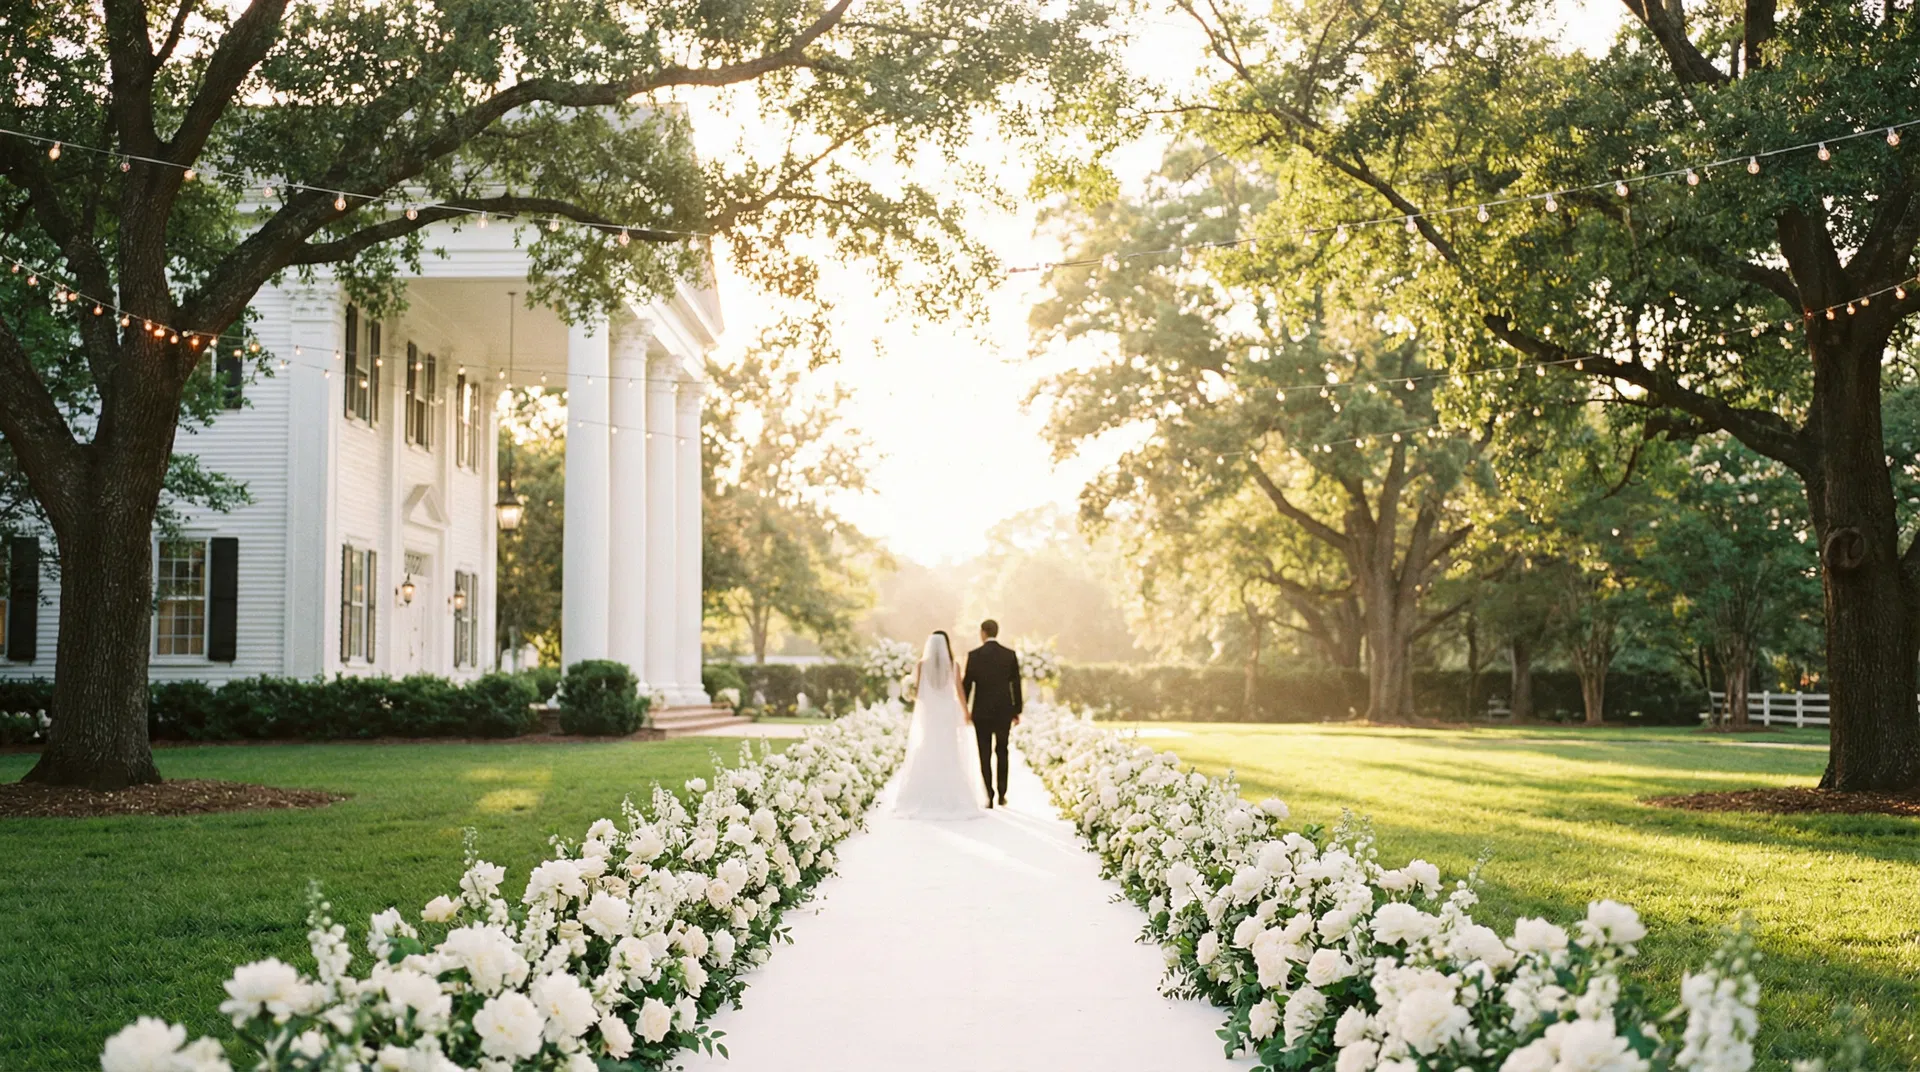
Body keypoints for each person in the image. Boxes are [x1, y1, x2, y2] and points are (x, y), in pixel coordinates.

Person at [889, 631, 984, 820]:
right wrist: (966, 712)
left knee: (928, 747)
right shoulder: (954, 666)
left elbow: (918, 693)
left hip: (930, 714)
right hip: (947, 714)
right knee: (949, 751)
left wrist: (910, 691)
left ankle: (922, 793)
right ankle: (953, 796)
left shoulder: (921, 665)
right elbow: (960, 692)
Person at [962, 619, 1022, 808]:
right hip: (1004, 711)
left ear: (983, 633)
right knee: (1002, 751)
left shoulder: (974, 656)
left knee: (984, 753)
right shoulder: (1009, 655)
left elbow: (967, 685)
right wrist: (1016, 710)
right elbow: (1016, 685)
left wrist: (965, 709)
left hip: (981, 712)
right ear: (997, 632)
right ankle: (1002, 793)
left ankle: (989, 793)